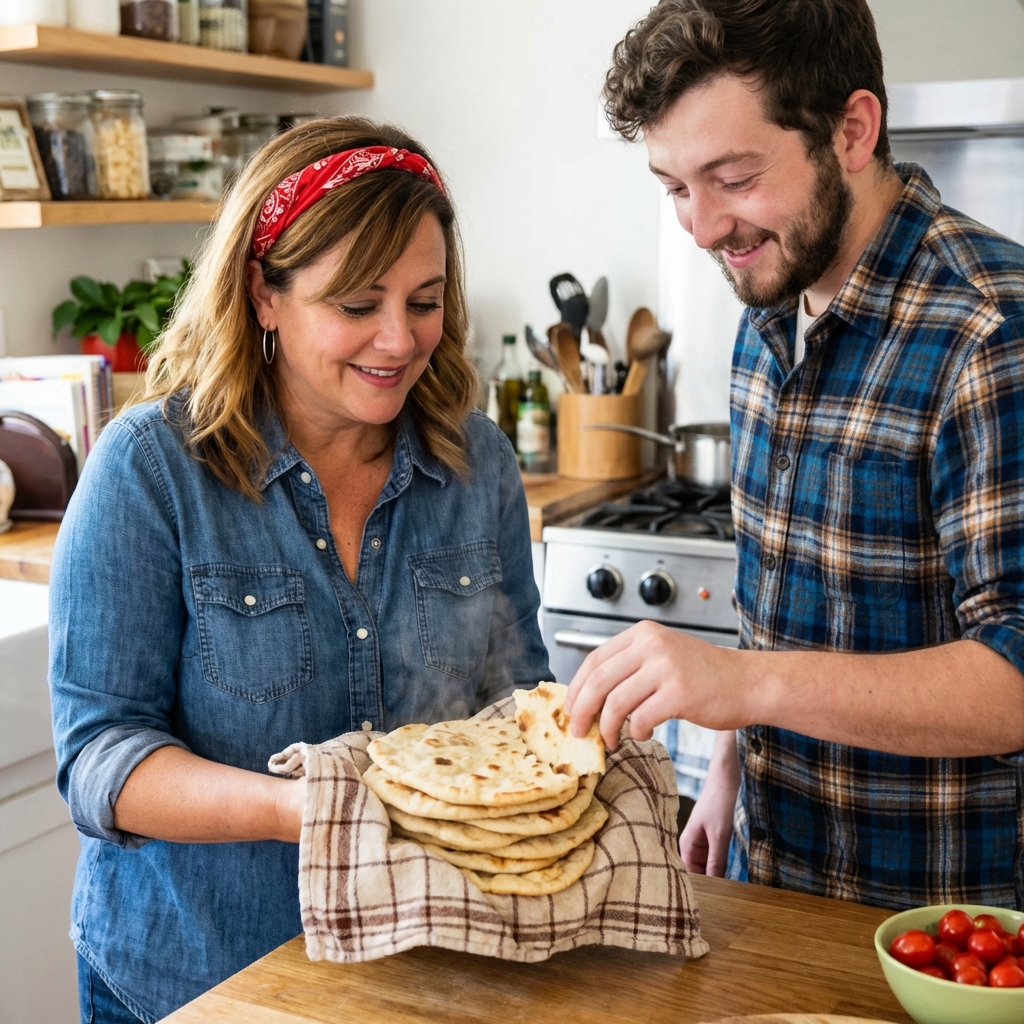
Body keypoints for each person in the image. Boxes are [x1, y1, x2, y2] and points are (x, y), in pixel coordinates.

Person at [50, 117, 550, 1024]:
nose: (399, 340)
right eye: (357, 305)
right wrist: (309, 805)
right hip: (197, 982)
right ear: (264, 293)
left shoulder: (478, 465)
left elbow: (518, 700)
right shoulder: (151, 471)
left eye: (425, 300)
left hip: (426, 971)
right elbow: (100, 761)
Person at [567, 0, 1024, 910]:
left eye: (732, 177)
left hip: (942, 931)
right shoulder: (768, 307)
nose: (701, 229)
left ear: (852, 130)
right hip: (777, 880)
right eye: (675, 187)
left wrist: (741, 685)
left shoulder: (989, 332)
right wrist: (729, 769)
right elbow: (780, 597)